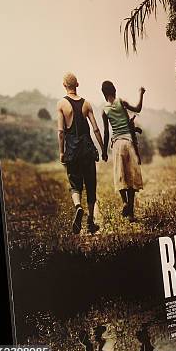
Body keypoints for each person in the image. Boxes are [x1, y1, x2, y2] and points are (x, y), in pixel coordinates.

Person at [57, 72, 103, 234]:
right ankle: (90, 221)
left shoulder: (62, 104)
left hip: (72, 151)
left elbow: (61, 132)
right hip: (87, 150)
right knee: (91, 184)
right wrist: (103, 148)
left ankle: (78, 207)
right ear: (77, 85)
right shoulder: (87, 104)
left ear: (64, 85)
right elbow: (96, 129)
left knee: (75, 184)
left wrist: (61, 152)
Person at [100, 81, 144, 223]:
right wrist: (141, 94)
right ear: (115, 90)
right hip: (128, 142)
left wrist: (104, 151)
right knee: (131, 177)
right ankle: (131, 212)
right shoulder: (121, 102)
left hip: (117, 144)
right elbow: (138, 108)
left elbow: (106, 133)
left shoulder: (104, 111)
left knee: (120, 176)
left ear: (104, 93)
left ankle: (124, 202)